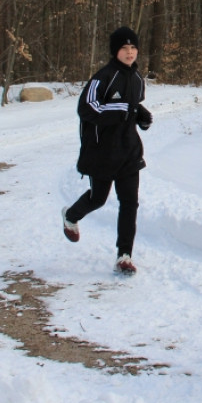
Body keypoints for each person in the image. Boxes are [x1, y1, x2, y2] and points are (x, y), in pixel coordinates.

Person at [62, 26, 153, 275]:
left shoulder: (137, 79)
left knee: (129, 203)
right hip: (102, 152)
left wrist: (141, 116)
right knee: (98, 198)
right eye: (124, 48)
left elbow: (133, 106)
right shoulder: (103, 77)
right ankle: (71, 215)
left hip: (129, 151)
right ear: (115, 51)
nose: (130, 52)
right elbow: (86, 108)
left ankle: (124, 255)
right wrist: (121, 110)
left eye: (133, 48)